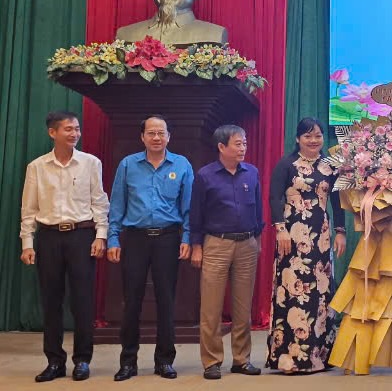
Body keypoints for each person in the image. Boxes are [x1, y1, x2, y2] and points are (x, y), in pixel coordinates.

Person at [19, 111, 110, 383]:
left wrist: (100, 235)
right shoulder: (37, 167)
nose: (74, 134)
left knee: (82, 303)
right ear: (52, 133)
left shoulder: (90, 163)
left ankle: (82, 360)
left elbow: (99, 201)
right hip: (48, 238)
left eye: (77, 129)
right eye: (68, 129)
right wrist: (27, 242)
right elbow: (28, 208)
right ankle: (54, 361)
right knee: (51, 302)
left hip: (82, 236)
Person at [107, 115, 193, 381]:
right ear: (142, 136)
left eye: (161, 133)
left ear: (169, 136)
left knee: (166, 300)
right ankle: (128, 362)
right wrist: (113, 238)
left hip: (168, 239)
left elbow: (189, 207)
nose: (157, 137)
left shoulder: (181, 164)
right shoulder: (128, 164)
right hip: (134, 239)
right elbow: (117, 204)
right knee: (131, 301)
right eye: (151, 133)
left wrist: (187, 237)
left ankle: (164, 360)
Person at [266, 117, 346, 373]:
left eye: (318, 136)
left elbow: (337, 201)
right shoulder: (287, 164)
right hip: (292, 237)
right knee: (294, 290)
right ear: (298, 139)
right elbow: (274, 197)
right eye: (308, 136)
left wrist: (340, 232)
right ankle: (290, 356)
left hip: (321, 237)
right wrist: (280, 230)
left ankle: (319, 356)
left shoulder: (329, 166)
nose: (313, 141)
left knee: (319, 292)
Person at [189, 125, 264, 379]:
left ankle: (241, 359)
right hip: (216, 244)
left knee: (243, 308)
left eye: (244, 143)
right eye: (237, 144)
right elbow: (196, 213)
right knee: (211, 307)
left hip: (247, 243)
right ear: (221, 147)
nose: (243, 148)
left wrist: (257, 239)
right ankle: (212, 361)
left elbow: (258, 210)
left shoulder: (252, 173)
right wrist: (196, 246)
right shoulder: (205, 175)